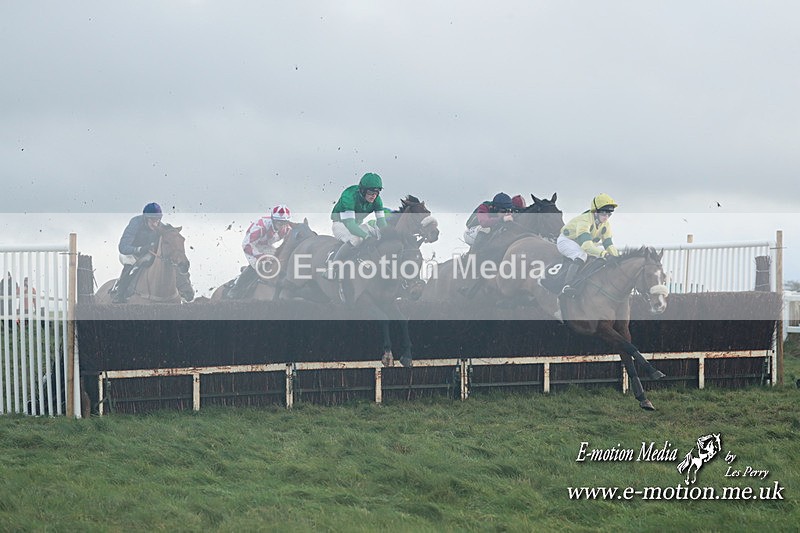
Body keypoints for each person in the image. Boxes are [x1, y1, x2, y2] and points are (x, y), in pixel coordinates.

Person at [112, 203, 194, 303]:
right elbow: (123, 247)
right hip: (131, 253)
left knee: (171, 263)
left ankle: (185, 290)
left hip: (149, 253)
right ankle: (119, 293)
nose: (155, 223)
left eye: (158, 219)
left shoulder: (161, 226)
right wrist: (139, 249)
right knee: (131, 265)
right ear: (146, 218)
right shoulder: (135, 223)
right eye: (152, 219)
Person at [327, 172, 388, 301]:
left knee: (377, 234)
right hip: (341, 224)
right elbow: (350, 225)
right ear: (363, 190)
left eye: (377, 193)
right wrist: (365, 236)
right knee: (357, 239)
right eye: (371, 192)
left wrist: (387, 235)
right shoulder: (348, 196)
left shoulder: (377, 200)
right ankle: (332, 266)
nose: (374, 196)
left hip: (357, 224)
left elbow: (382, 223)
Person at [557, 193, 620, 297]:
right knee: (581, 255)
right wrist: (604, 254)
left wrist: (617, 258)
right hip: (567, 241)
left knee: (602, 256)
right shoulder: (584, 220)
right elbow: (586, 246)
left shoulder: (606, 225)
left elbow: (608, 244)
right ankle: (567, 285)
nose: (606, 217)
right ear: (595, 212)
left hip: (584, 244)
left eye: (609, 214)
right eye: (604, 213)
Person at [227, 204, 293, 299]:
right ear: (273, 220)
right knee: (259, 265)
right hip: (251, 245)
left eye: (284, 223)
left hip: (266, 245)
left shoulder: (286, 229)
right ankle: (236, 289)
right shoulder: (260, 227)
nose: (282, 226)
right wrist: (261, 256)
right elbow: (246, 245)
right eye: (279, 223)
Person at [459, 193, 516, 298]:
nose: (507, 214)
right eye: (503, 211)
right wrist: (502, 220)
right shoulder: (484, 207)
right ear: (495, 208)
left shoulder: (505, 210)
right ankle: (472, 257)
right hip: (472, 231)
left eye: (509, 211)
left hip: (491, 227)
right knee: (485, 229)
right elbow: (484, 222)